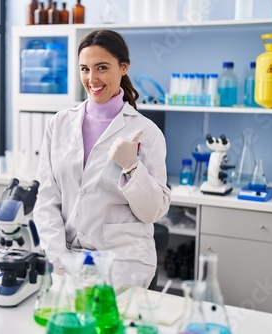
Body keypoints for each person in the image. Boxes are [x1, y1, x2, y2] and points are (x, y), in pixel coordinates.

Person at [33, 29, 171, 287]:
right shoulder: (60, 124)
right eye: (85, 69)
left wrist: (132, 168)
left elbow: (154, 211)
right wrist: (60, 259)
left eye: (102, 68)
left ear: (123, 67)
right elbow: (46, 199)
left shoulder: (147, 132)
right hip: (66, 257)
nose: (92, 78)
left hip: (122, 261)